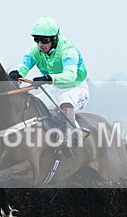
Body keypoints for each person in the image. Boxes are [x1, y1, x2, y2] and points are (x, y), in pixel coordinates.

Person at [8, 16, 90, 148]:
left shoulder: (68, 50)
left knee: (65, 99)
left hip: (76, 88)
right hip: (55, 88)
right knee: (34, 103)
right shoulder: (36, 51)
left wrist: (48, 78)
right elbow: (23, 66)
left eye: (44, 40)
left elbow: (70, 75)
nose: (40, 44)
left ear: (54, 38)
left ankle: (73, 135)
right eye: (37, 39)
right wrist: (16, 73)